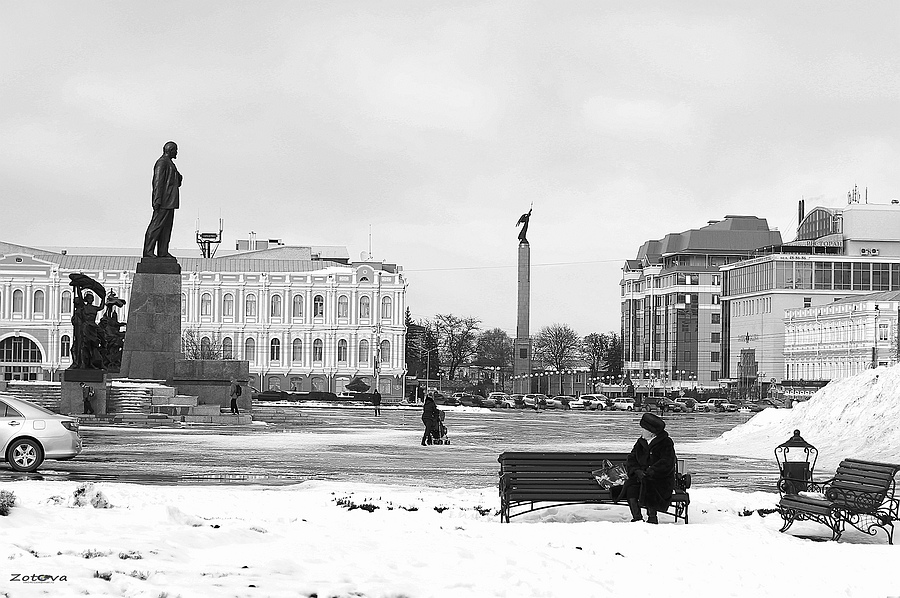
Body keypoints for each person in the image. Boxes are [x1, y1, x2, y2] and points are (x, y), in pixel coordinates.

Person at [615, 412, 676, 524]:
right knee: (631, 488)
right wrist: (636, 471)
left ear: (652, 433)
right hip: (640, 477)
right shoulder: (640, 442)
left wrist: (651, 471)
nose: (641, 431)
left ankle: (652, 517)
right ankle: (637, 518)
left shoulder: (666, 442)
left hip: (660, 479)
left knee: (650, 484)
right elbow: (631, 458)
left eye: (644, 429)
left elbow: (667, 462)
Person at [143, 141, 183, 258]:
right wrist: (157, 199)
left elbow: (176, 181)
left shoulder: (170, 163)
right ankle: (148, 251)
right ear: (170, 150)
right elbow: (157, 181)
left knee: (166, 228)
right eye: (176, 150)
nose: (177, 152)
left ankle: (163, 251)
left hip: (170, 202)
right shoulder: (162, 163)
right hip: (163, 201)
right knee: (156, 226)